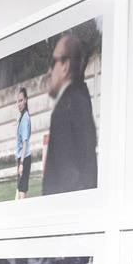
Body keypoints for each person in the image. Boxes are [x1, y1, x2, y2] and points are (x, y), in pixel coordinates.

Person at [41, 33, 99, 195]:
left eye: (53, 62)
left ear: (65, 66)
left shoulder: (65, 108)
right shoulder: (81, 100)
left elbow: (67, 178)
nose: (49, 71)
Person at [14, 87, 33, 199]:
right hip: (22, 158)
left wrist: (21, 164)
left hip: (24, 159)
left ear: (26, 100)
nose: (19, 103)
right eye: (18, 101)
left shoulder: (25, 118)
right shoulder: (23, 117)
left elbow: (25, 143)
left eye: (21, 100)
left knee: (22, 193)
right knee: (21, 190)